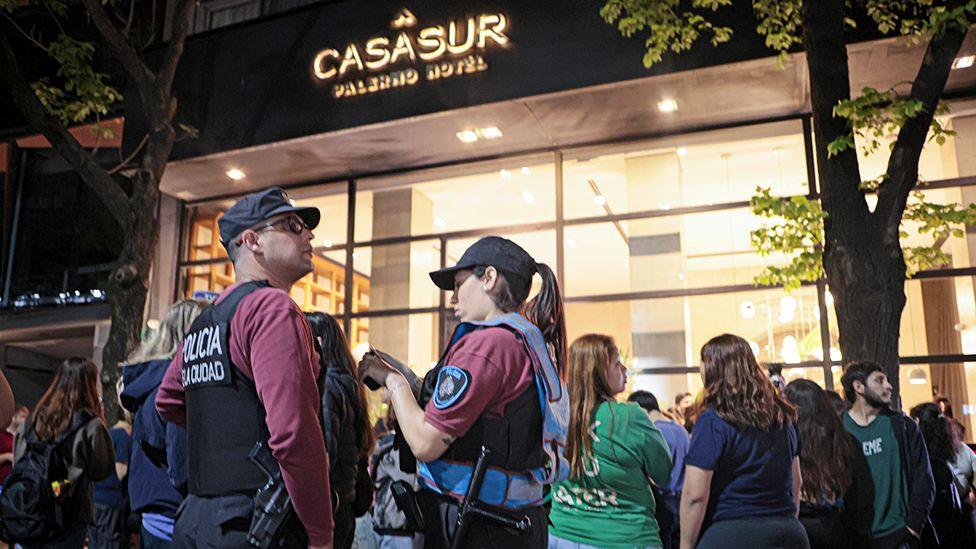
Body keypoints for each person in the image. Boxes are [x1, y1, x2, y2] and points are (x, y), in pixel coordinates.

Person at [359, 235, 570, 549]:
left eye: (458, 285)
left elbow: (425, 443)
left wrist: (393, 381)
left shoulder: (487, 345)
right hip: (515, 520)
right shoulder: (522, 340)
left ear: (488, 278)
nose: (452, 298)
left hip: (478, 526)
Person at [155, 187, 334, 548]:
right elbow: (293, 434)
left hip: (196, 519)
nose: (308, 234)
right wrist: (321, 533)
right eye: (292, 225)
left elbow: (168, 401)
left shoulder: (206, 320)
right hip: (255, 520)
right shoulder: (272, 309)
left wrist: (227, 437)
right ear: (253, 240)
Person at [680, 334, 808, 549]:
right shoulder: (783, 416)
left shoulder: (713, 421)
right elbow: (796, 482)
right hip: (788, 532)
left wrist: (685, 545)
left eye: (702, 362)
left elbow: (695, 495)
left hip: (732, 533)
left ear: (713, 368)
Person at [549, 335, 672, 549]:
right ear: (598, 373)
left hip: (561, 536)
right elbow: (662, 472)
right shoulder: (629, 417)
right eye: (617, 363)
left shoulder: (554, 417)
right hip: (625, 537)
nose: (624, 369)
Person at [121, 299, 206, 547]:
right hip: (175, 518)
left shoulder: (147, 383)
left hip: (154, 516)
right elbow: (182, 463)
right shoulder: (176, 385)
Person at [14, 357, 114, 548]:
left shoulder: (31, 421)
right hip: (68, 514)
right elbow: (102, 470)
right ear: (91, 384)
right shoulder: (90, 425)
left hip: (29, 508)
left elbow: (18, 462)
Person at [841, 361, 934, 549]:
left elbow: (923, 478)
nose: (888, 386)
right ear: (858, 387)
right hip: (859, 539)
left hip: (900, 535)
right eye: (879, 381)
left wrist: (913, 527)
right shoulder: (838, 429)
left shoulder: (903, 426)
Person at [307, 312, 376, 549]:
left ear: (319, 342)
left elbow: (327, 453)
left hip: (330, 504)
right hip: (345, 502)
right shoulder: (349, 382)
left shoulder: (328, 385)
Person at [784, 379, 866, 549]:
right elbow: (858, 494)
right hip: (836, 528)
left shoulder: (783, 443)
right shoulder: (844, 441)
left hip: (796, 528)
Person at [628, 390, 689, 549]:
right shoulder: (680, 430)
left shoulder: (653, 433)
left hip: (663, 506)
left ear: (641, 410)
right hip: (683, 506)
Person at [909, 402, 975, 548]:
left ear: (918, 422)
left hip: (934, 526)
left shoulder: (918, 454)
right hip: (963, 521)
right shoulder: (960, 448)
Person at [370, 407, 424, 549]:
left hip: (386, 525)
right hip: (399, 530)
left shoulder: (383, 445)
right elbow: (413, 483)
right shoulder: (399, 447)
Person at [87, 412, 132, 549]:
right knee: (110, 543)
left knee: (95, 543)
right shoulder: (124, 436)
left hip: (95, 500)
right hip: (111, 503)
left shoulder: (108, 434)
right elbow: (121, 471)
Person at [947, 418, 976, 516]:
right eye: (954, 433)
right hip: (948, 506)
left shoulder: (964, 449)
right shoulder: (938, 451)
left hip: (966, 502)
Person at [0, 405, 28, 484]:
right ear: (13, 417)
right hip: (3, 483)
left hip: (18, 484)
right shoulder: (2, 435)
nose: (25, 420)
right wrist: (8, 456)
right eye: (23, 416)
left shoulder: (26, 437)